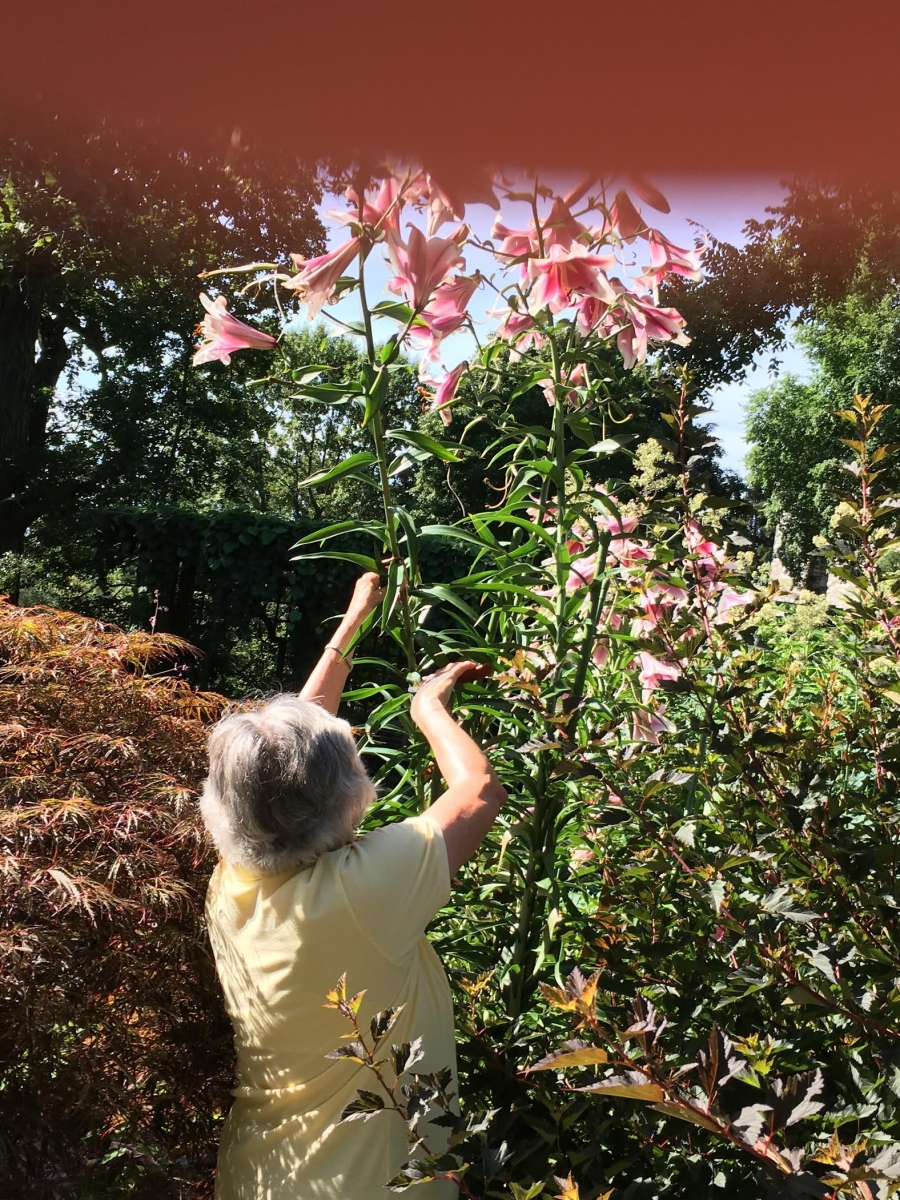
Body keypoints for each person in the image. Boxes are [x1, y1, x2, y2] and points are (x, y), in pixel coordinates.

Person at [200, 572, 507, 1199]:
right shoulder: (360, 891)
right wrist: (429, 707)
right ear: (342, 796)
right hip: (365, 1184)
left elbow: (284, 757)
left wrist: (350, 624)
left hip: (259, 1175)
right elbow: (479, 791)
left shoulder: (232, 883)